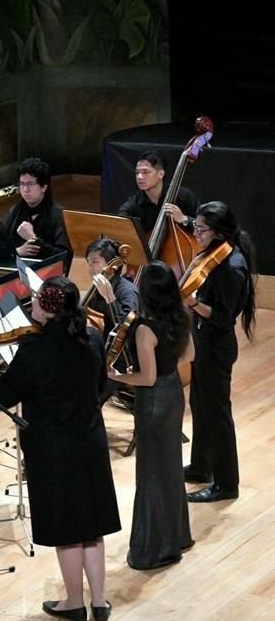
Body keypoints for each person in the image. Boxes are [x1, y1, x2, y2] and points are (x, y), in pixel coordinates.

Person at [0, 277, 120, 621]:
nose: (30, 305)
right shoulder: (91, 336)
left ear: (47, 309)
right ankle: (100, 601)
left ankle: (75, 603)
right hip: (90, 441)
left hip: (53, 449)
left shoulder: (34, 350)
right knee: (91, 527)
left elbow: (1, 398)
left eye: (35, 300)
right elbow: (101, 384)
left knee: (67, 530)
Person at [109, 261, 194, 569]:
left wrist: (116, 376)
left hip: (154, 399)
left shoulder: (146, 328)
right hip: (174, 395)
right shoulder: (182, 315)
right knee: (170, 467)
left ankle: (155, 548)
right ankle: (177, 535)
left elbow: (146, 378)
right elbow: (190, 356)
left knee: (152, 473)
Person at [184, 201, 256, 502]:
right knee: (199, 404)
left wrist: (192, 303)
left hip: (216, 345)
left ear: (219, 231)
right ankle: (202, 466)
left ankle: (227, 483)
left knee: (218, 416)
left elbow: (224, 317)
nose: (196, 233)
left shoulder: (231, 267)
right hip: (202, 342)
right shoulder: (216, 255)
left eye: (201, 229)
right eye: (196, 227)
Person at [84, 236, 139, 406]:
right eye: (88, 262)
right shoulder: (96, 288)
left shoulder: (127, 291)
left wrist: (110, 299)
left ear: (111, 266)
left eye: (94, 262)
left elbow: (125, 330)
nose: (90, 268)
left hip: (121, 358)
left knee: (89, 398)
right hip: (100, 352)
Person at [5, 157, 72, 273]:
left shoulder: (58, 214)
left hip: (48, 275)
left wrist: (33, 238)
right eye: (22, 184)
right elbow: (2, 248)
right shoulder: (15, 211)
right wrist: (18, 251)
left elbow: (64, 257)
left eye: (30, 184)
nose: (25, 190)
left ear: (44, 187)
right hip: (16, 272)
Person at [117, 150, 199, 237]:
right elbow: (120, 224)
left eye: (145, 172)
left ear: (161, 174)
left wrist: (184, 219)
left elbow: (206, 228)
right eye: (137, 172)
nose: (139, 177)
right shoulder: (133, 205)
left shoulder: (184, 196)